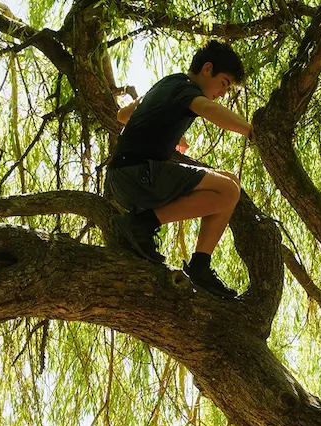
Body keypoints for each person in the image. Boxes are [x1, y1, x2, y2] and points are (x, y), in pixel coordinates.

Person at [106, 40, 252, 299]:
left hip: (125, 177)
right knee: (228, 190)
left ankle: (200, 264)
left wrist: (166, 129)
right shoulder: (185, 88)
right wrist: (252, 131)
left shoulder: (167, 84)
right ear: (207, 69)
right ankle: (142, 225)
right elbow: (208, 109)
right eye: (224, 84)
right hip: (136, 175)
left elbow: (123, 115)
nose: (223, 93)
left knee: (230, 182)